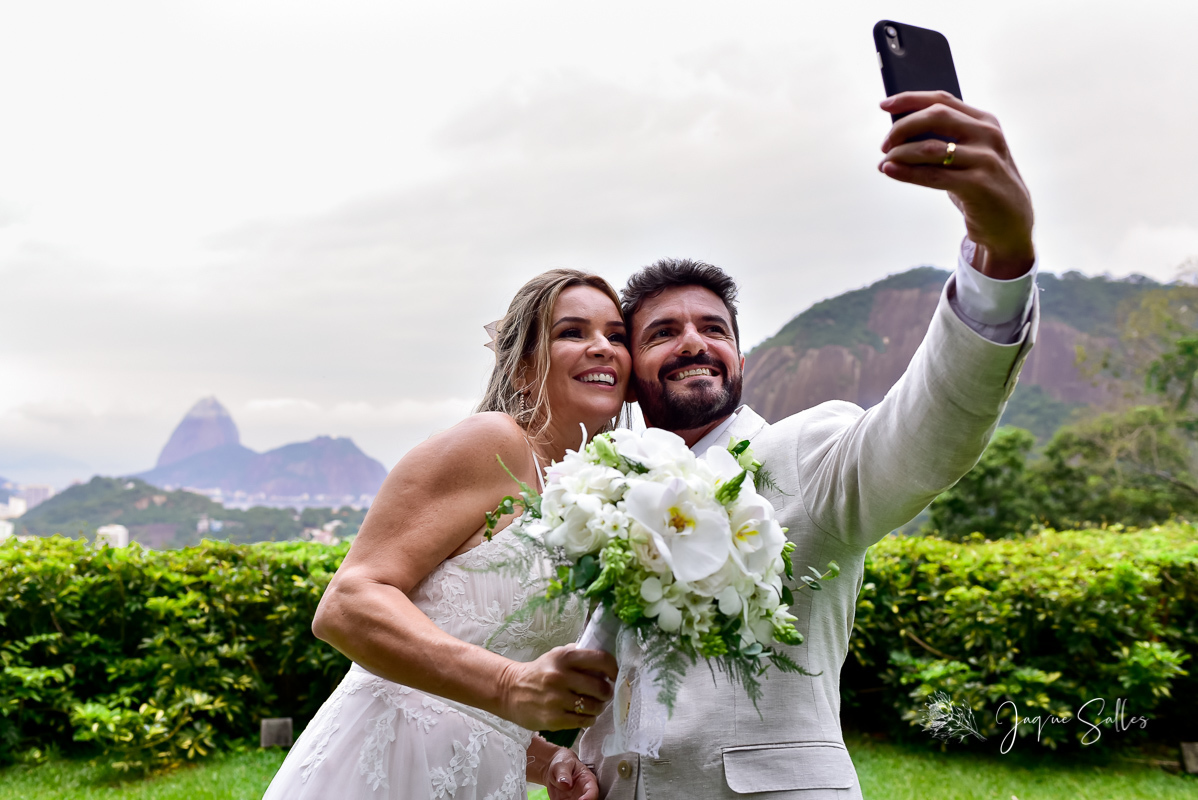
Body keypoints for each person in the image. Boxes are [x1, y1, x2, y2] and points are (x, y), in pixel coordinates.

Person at [577, 91, 1040, 799]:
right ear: (631, 378)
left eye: (715, 328)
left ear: (738, 357)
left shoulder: (808, 454)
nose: (695, 341)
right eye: (663, 332)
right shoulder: (604, 494)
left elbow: (931, 427)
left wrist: (999, 256)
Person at [263, 269, 629, 800]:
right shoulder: (494, 443)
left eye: (616, 336)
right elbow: (346, 603)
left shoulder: (583, 495)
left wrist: (546, 759)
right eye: (572, 332)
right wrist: (510, 685)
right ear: (524, 366)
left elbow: (467, 685)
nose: (602, 347)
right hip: (385, 764)